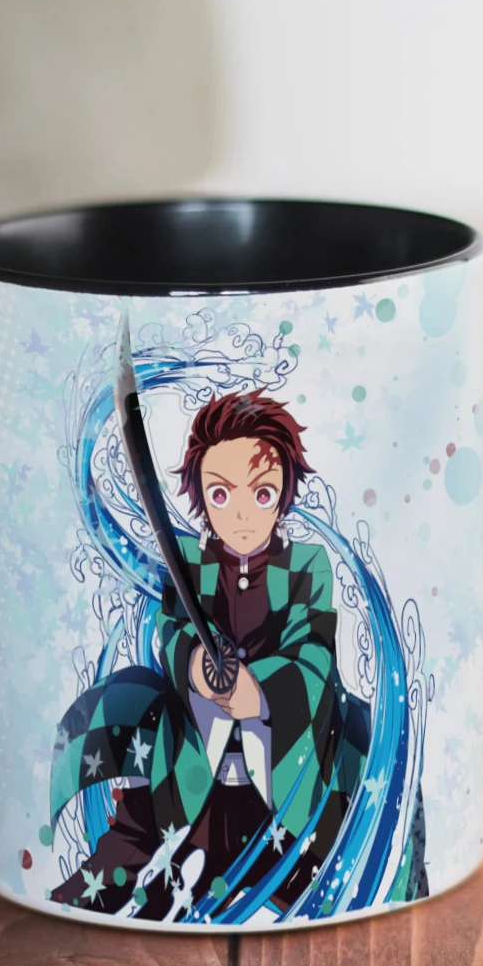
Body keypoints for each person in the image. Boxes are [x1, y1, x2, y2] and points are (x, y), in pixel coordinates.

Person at [49, 390, 426, 920]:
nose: (242, 514)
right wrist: (197, 671)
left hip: (282, 792)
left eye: (262, 492)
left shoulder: (306, 568)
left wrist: (260, 693)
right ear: (200, 496)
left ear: (284, 493)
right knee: (134, 866)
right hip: (196, 785)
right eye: (222, 495)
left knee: (325, 899)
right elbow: (172, 629)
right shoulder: (190, 566)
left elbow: (314, 654)